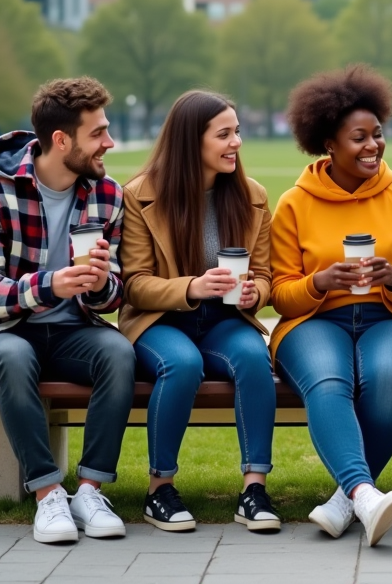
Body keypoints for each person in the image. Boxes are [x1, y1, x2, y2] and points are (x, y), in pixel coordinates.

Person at [0, 78, 133, 544]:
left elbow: (113, 295)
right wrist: (53, 284)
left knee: (118, 353)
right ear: (62, 140)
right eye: (99, 133)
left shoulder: (107, 194)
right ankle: (48, 494)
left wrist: (100, 282)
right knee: (14, 357)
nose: (110, 142)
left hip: (70, 332)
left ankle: (89, 491)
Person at [270, 65, 392, 547]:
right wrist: (319, 282)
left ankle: (346, 500)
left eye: (377, 135)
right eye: (358, 137)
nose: (372, 146)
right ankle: (365, 493)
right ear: (329, 144)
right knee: (327, 380)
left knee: (387, 380)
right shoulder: (294, 204)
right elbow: (281, 293)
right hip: (315, 319)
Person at [119, 90, 281, 534]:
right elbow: (132, 283)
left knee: (253, 360)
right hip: (160, 321)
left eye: (238, 132)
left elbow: (265, 274)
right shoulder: (140, 195)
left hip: (225, 322)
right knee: (182, 364)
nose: (237, 143)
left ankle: (254, 490)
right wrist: (191, 286)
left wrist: (255, 293)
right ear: (192, 141)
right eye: (225, 134)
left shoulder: (252, 196)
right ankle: (160, 489)